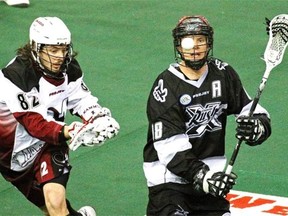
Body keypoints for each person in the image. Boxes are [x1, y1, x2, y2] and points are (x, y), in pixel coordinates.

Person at [143, 15, 271, 216]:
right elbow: (170, 151)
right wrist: (204, 177)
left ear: (209, 43)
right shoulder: (166, 87)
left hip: (212, 183)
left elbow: (253, 111)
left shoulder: (223, 73)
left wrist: (257, 126)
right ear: (178, 46)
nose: (194, 47)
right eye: (187, 41)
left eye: (200, 40)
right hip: (170, 183)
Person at [0, 16, 120, 216]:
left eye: (64, 49)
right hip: (9, 153)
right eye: (53, 50)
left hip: (47, 146)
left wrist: (98, 116)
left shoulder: (69, 68)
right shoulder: (16, 75)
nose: (60, 56)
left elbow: (80, 98)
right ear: (35, 48)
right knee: (49, 209)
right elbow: (33, 123)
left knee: (55, 203)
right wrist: (69, 130)